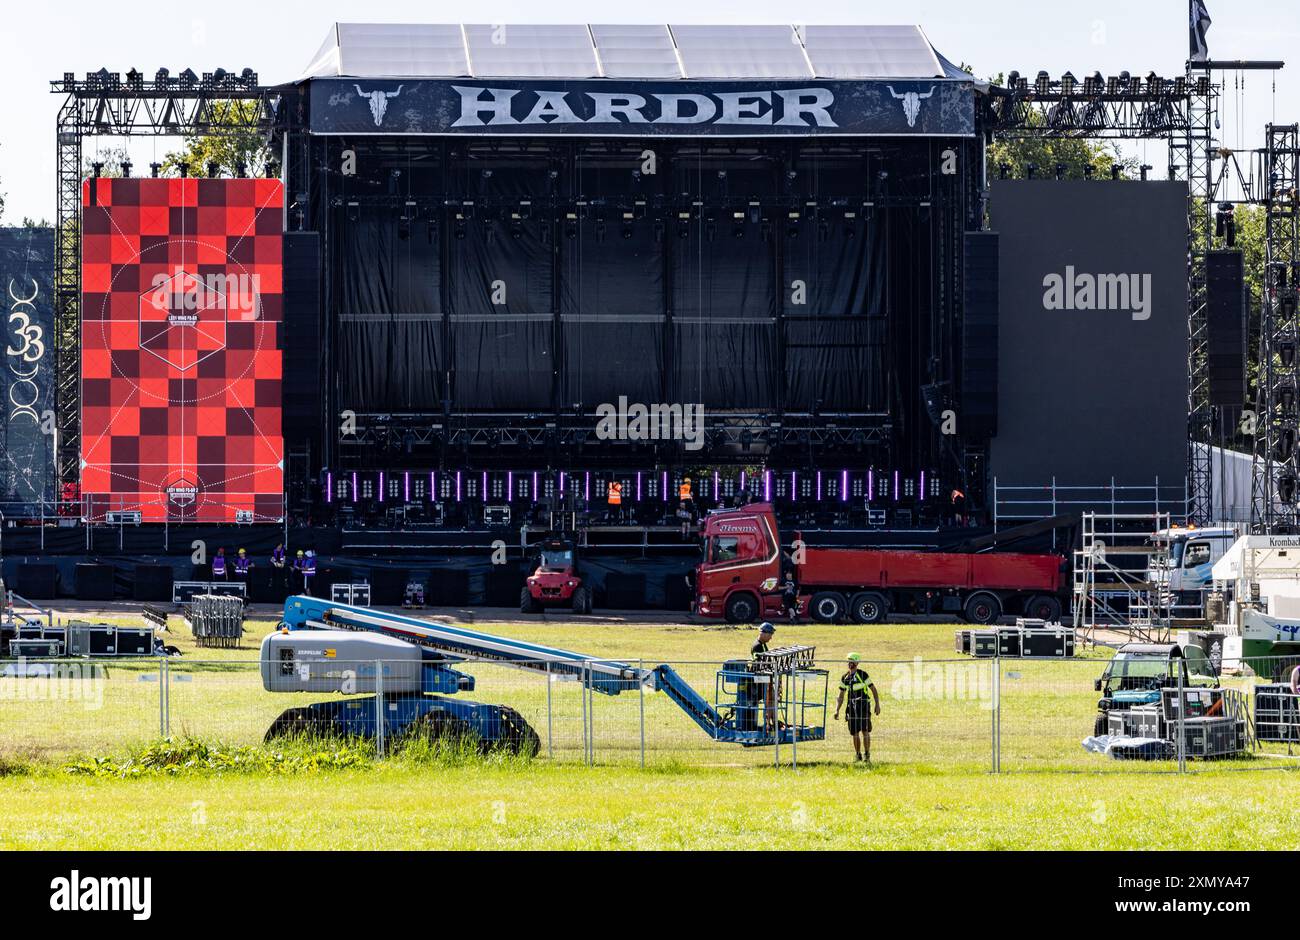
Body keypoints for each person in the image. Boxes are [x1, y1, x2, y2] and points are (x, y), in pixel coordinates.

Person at [833, 653, 881, 763]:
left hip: (863, 706)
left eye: (852, 662)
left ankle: (867, 755)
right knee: (854, 733)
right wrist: (837, 710)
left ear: (857, 663)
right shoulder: (845, 677)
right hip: (851, 708)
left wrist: (877, 704)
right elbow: (841, 695)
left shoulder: (863, 675)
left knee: (865, 731)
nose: (850, 664)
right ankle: (858, 755)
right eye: (848, 662)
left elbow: (873, 690)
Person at [750, 622, 778, 732]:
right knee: (770, 700)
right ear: (763, 633)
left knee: (772, 699)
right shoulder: (757, 645)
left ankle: (773, 722)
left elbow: (766, 654)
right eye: (770, 634)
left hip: (765, 678)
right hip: (760, 679)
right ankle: (769, 723)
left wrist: (775, 650)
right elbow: (759, 658)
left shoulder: (762, 644)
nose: (771, 637)